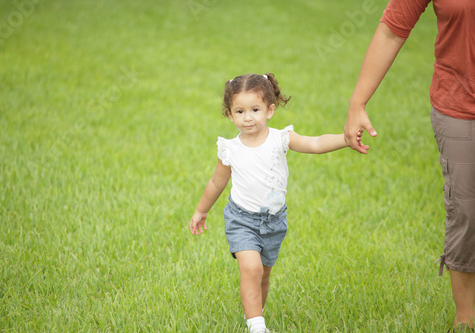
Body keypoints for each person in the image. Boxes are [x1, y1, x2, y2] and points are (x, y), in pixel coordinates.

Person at [190, 73, 365, 333]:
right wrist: (201, 210)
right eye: (240, 111)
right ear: (229, 114)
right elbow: (217, 183)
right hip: (241, 219)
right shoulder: (230, 149)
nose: (247, 117)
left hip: (274, 221)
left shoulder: (280, 139)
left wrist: (344, 139)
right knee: (251, 267)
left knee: (263, 275)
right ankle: (257, 327)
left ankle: (256, 314)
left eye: (255, 109)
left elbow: (315, 143)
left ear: (270, 110)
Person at [343, 0, 475, 331]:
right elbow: (392, 30)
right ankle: (466, 319)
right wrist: (358, 101)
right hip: (461, 107)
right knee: (468, 211)